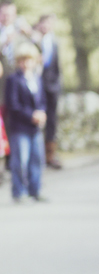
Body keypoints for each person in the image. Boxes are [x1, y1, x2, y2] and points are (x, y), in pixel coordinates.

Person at [5, 44, 47, 202]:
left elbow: (42, 100)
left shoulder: (37, 78)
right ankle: (18, 192)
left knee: (36, 159)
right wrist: (31, 115)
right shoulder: (13, 80)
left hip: (35, 127)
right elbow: (13, 104)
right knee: (20, 161)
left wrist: (41, 113)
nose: (25, 63)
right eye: (22, 60)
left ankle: (35, 190)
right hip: (19, 126)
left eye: (28, 59)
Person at [32, 14, 63, 170]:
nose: (46, 26)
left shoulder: (54, 42)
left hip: (52, 87)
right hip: (37, 86)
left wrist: (58, 86)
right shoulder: (34, 40)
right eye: (44, 23)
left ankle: (50, 155)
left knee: (52, 121)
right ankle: (36, 154)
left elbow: (57, 66)